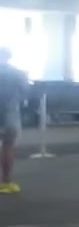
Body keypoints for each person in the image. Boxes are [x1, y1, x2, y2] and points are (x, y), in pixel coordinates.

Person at [0, 48, 30, 194]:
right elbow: (26, 93)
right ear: (9, 57)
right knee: (7, 148)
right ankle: (6, 183)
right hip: (9, 114)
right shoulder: (18, 73)